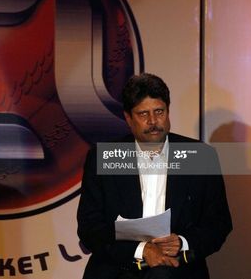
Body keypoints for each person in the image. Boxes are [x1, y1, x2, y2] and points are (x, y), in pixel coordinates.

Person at [77, 73, 232, 279]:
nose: (153, 121)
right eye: (143, 114)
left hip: (177, 267)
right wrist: (142, 250)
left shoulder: (199, 156)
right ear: (128, 117)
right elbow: (90, 227)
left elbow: (219, 223)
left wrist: (183, 242)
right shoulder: (103, 157)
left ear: (168, 111)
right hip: (118, 267)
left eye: (159, 111)